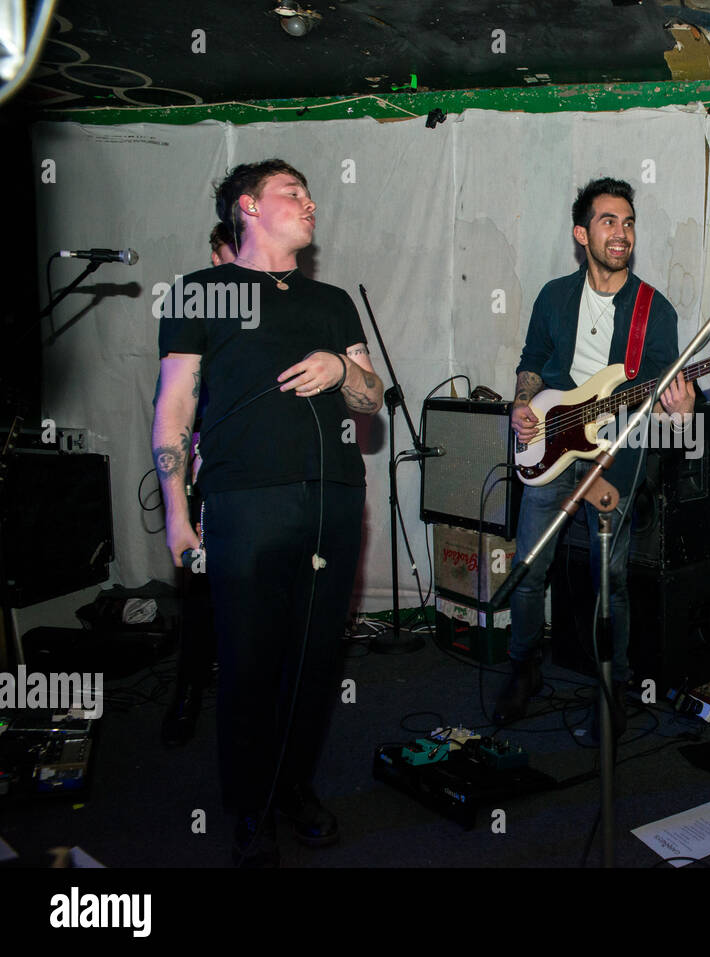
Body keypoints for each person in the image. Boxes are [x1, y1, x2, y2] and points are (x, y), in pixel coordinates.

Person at [152, 160, 383, 866]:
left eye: (310, 194)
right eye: (293, 193)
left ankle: (294, 789)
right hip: (245, 500)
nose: (310, 203)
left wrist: (343, 372)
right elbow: (174, 408)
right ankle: (249, 806)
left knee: (315, 662)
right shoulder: (202, 293)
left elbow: (372, 397)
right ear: (249, 206)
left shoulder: (334, 301)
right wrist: (175, 515)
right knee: (250, 664)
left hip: (333, 499)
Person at [498, 177, 695, 734]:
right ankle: (523, 667)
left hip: (614, 455)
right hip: (549, 441)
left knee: (610, 577)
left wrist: (679, 409)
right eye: (609, 221)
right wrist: (520, 403)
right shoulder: (553, 295)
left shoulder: (653, 309)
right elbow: (532, 358)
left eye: (629, 222)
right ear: (582, 233)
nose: (621, 232)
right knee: (529, 567)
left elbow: (663, 395)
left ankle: (614, 685)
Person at [159, 222, 237, 746]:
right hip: (210, 471)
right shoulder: (199, 311)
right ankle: (188, 689)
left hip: (259, 475)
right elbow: (178, 405)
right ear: (217, 257)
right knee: (203, 590)